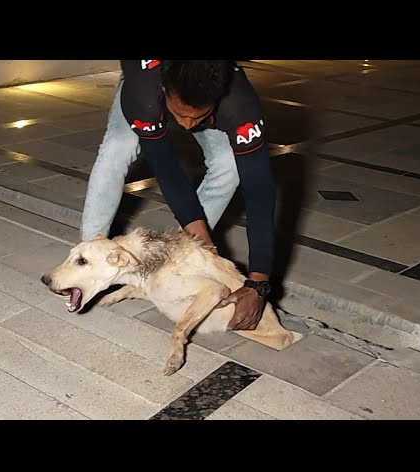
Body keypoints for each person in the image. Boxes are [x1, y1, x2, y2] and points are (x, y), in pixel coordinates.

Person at [81, 60, 277, 332]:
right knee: (118, 148)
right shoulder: (144, 92)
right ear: (164, 88)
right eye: (181, 114)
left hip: (205, 99)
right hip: (147, 88)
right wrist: (203, 239)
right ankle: (87, 258)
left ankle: (182, 255)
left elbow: (260, 194)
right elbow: (168, 172)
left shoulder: (239, 102)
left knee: (229, 163)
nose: (185, 126)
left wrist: (258, 283)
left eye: (196, 117)